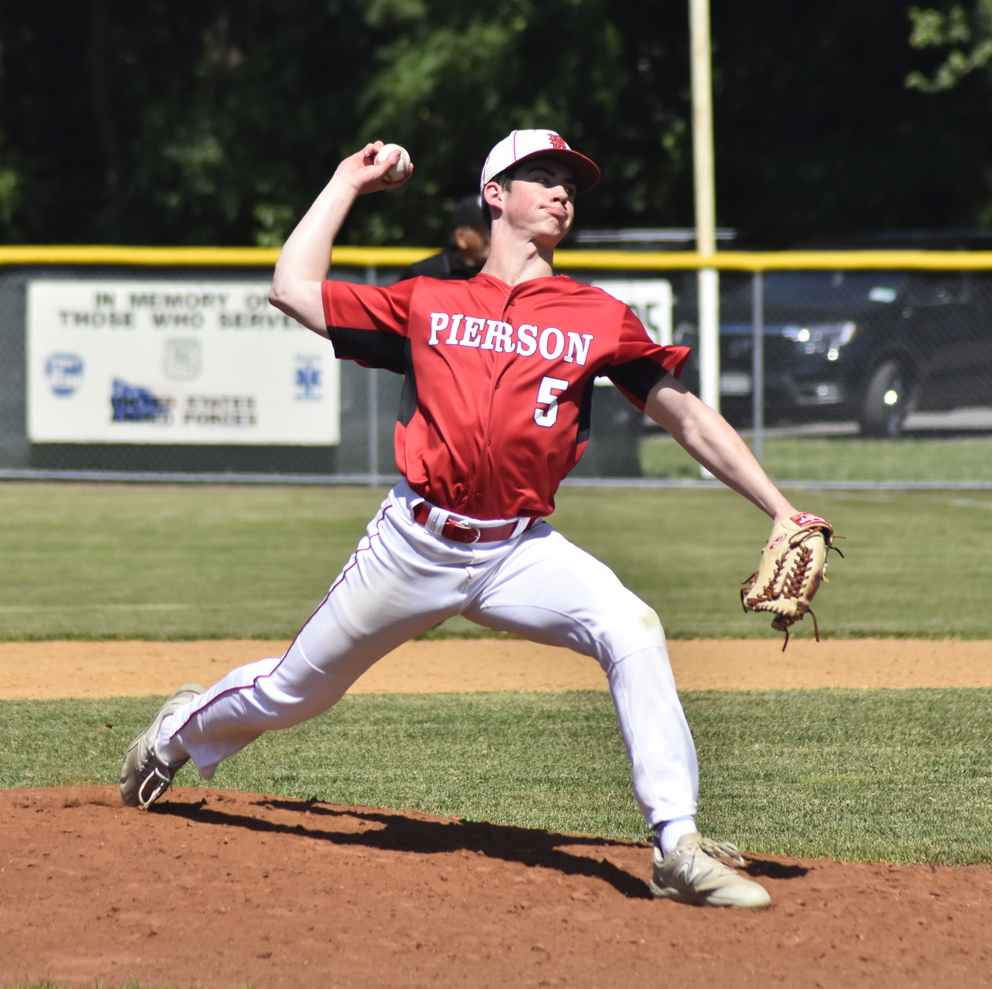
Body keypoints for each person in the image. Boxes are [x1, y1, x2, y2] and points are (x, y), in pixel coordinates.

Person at [122, 129, 822, 909]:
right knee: (294, 694)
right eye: (542, 177)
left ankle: (676, 844)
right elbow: (291, 287)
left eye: (569, 183)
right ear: (496, 196)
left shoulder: (595, 314)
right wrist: (347, 182)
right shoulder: (429, 302)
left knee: (633, 628)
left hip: (518, 550)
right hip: (413, 544)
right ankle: (180, 731)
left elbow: (685, 416)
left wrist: (780, 507)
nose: (562, 192)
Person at [394, 195, 489, 281]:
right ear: (461, 238)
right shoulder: (424, 275)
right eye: (487, 228)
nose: (495, 235)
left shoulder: (501, 274)